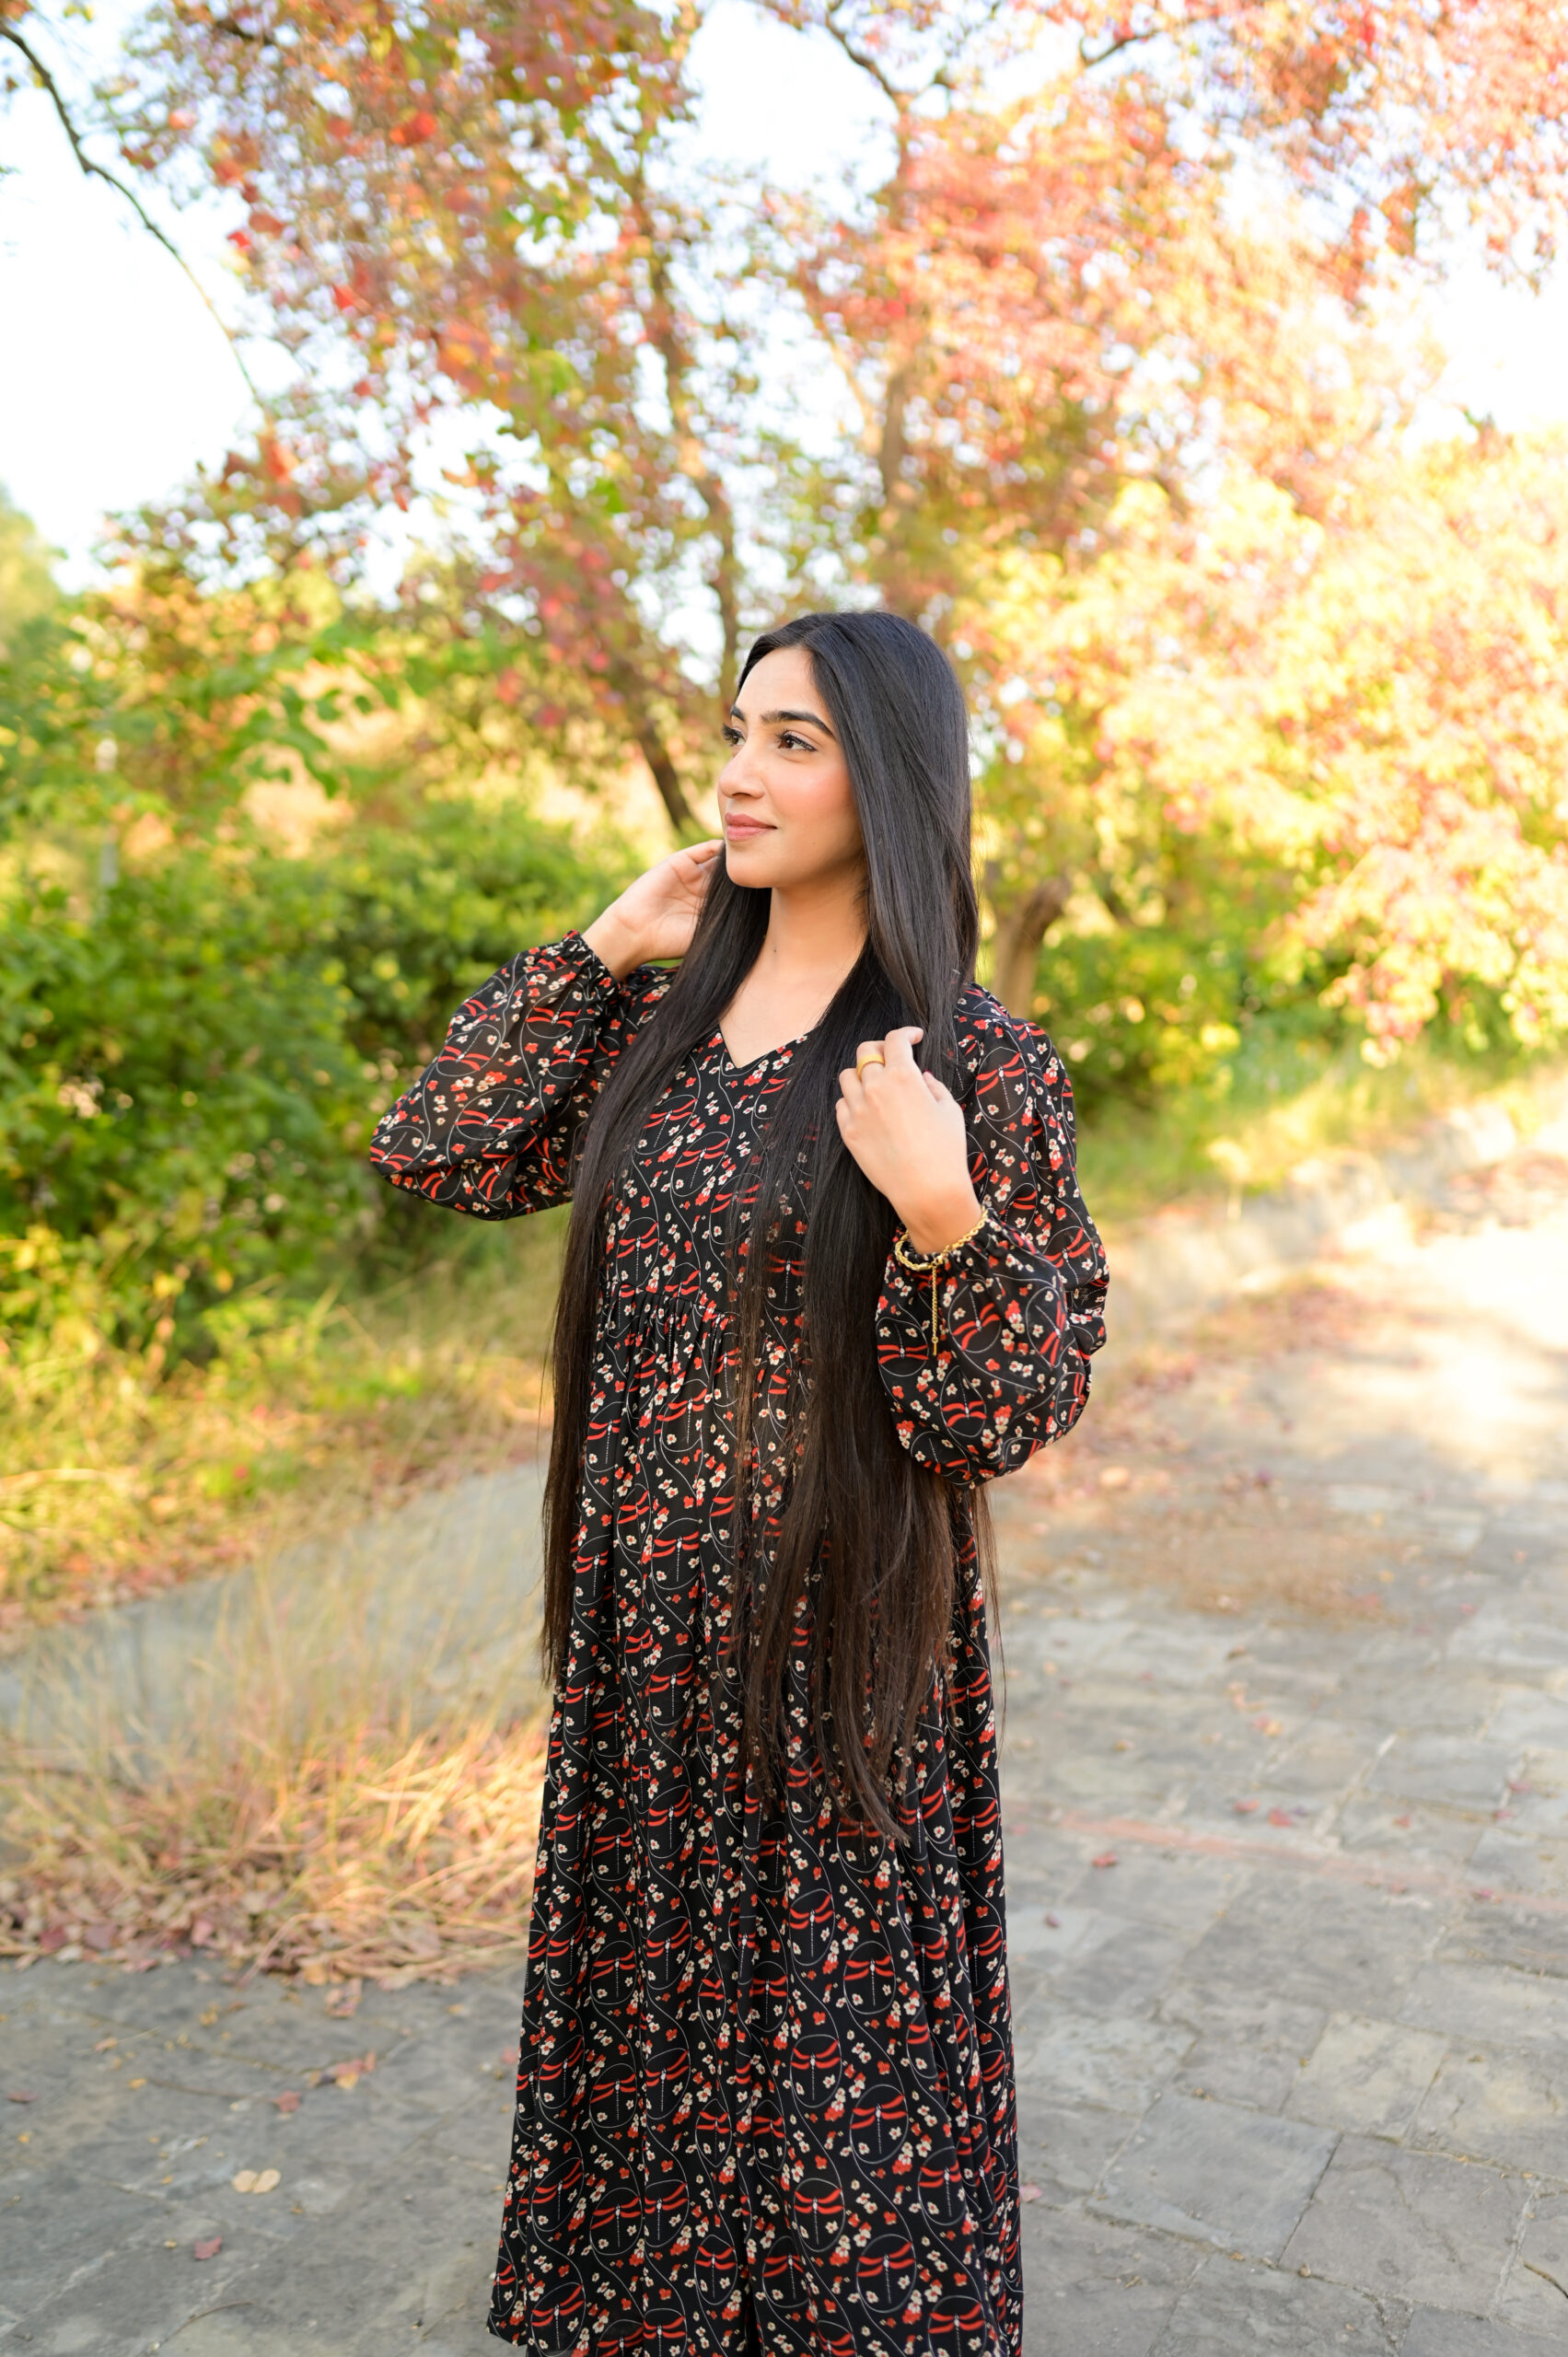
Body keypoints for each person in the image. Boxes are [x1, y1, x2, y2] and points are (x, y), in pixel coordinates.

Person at [367, 609, 1108, 2357]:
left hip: (841, 1650)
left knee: (843, 2080)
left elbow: (1009, 1408)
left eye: (795, 742)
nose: (740, 775)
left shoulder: (968, 1064)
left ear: (890, 782)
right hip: (646, 1644)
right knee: (657, 2031)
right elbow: (442, 1149)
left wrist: (942, 1207)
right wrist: (603, 947)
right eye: (737, 733)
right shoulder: (665, 1024)